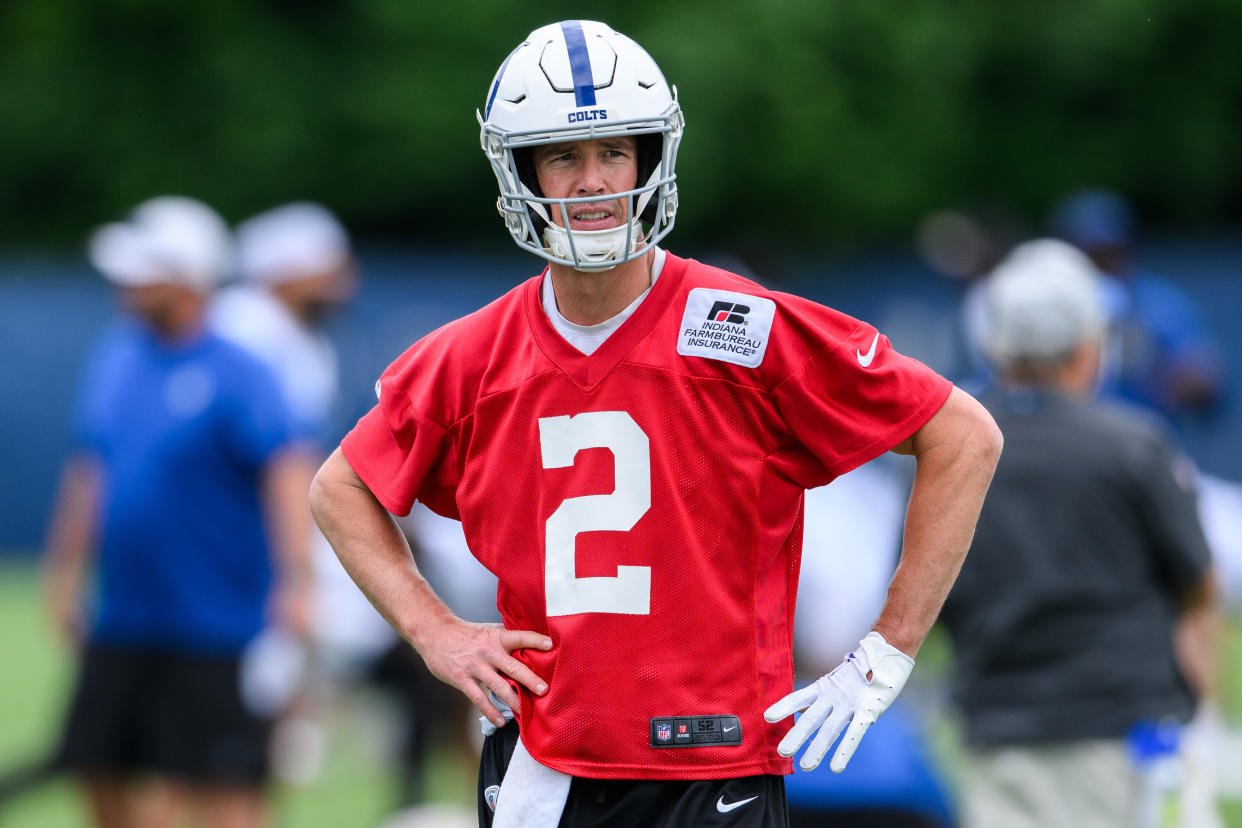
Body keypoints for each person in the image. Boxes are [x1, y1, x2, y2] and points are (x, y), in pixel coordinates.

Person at [309, 20, 1002, 828]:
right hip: (549, 763)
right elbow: (341, 486)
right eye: (563, 156)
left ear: (651, 158)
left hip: (718, 765)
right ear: (520, 170)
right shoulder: (470, 356)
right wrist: (433, 629)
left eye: (614, 150)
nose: (593, 179)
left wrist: (888, 648)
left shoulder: (743, 328)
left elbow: (963, 435)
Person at [43, 196, 312, 828]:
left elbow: (287, 471)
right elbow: (90, 468)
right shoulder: (117, 356)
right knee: (96, 764)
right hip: (123, 616)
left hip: (215, 621)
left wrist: (297, 581)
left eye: (141, 272)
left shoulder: (242, 371)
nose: (124, 284)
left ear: (185, 278)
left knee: (221, 783)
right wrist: (65, 572)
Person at [937, 239, 1221, 827]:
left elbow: (924, 589)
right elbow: (1198, 586)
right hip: (1123, 736)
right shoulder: (1132, 445)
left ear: (995, 341)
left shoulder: (951, 450)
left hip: (994, 733)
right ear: (1090, 344)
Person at [1049, 188, 1224, 426]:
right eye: (1091, 257)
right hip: (1070, 441)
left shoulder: (1161, 305)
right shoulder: (1047, 307)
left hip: (1146, 442)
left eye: (1111, 255)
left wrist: (1185, 379)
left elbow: (1206, 383)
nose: (1103, 267)